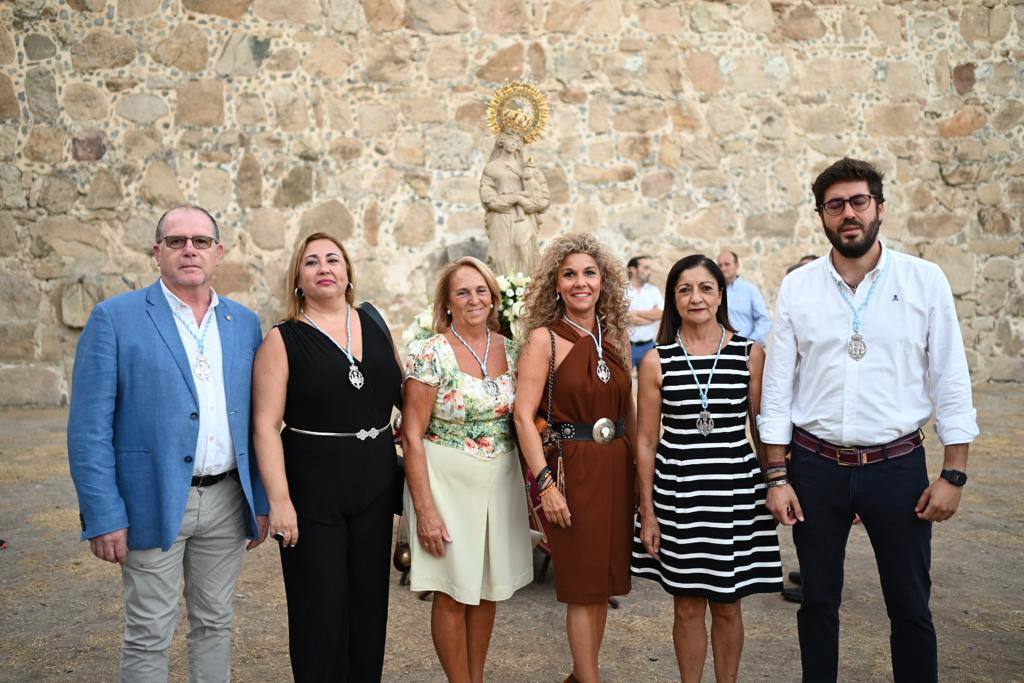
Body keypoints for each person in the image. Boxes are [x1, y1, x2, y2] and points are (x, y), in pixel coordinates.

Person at [759, 157, 979, 682]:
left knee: (910, 608)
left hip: (896, 467)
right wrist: (777, 477)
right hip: (815, 467)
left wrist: (953, 474)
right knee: (816, 604)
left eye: (859, 201)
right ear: (821, 217)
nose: (849, 213)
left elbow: (951, 378)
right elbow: (778, 390)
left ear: (879, 207)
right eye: (836, 205)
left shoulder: (924, 280)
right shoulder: (798, 288)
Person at [67, 205, 269, 681]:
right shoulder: (114, 318)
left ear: (218, 253)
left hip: (225, 500)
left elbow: (257, 422)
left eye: (200, 241)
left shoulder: (245, 323)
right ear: (157, 253)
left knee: (216, 623)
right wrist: (103, 514)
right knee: (148, 631)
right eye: (176, 242)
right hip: (150, 500)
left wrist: (258, 499)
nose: (189, 250)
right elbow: (88, 428)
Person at [252, 231, 402, 681]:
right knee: (318, 610)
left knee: (368, 606)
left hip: (374, 487)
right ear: (298, 278)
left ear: (348, 272)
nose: (324, 268)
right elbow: (264, 425)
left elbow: (402, 392)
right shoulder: (283, 339)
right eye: (312, 262)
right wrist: (280, 502)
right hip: (312, 490)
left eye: (333, 259)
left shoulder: (373, 321)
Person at [631, 254, 783, 682]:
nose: (695, 297)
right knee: (687, 604)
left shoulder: (750, 353)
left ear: (721, 294)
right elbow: (645, 440)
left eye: (705, 288)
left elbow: (762, 429)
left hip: (735, 492)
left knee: (729, 604)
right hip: (679, 493)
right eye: (684, 289)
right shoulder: (656, 360)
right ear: (673, 299)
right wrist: (648, 510)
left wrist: (777, 483)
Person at [402, 256, 533, 683]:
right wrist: (425, 510)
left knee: (487, 589)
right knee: (453, 591)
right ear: (447, 302)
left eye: (481, 290)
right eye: (462, 291)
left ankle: (476, 678)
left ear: (494, 298)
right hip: (445, 484)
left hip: (500, 483)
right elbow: (412, 435)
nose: (473, 299)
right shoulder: (430, 352)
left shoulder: (512, 349)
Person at [513, 233, 636, 683]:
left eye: (589, 273)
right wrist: (545, 484)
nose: (580, 282)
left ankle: (582, 675)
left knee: (601, 587)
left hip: (616, 469)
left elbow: (631, 410)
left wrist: (639, 478)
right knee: (583, 589)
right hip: (571, 471)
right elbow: (523, 418)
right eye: (569, 274)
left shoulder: (617, 335)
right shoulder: (544, 339)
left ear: (603, 281)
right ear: (556, 285)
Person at [480, 131, 551, 276]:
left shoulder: (528, 167)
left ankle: (528, 291)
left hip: (523, 216)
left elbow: (543, 192)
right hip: (502, 215)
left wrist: (537, 205)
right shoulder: (492, 167)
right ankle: (503, 291)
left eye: (518, 141)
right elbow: (486, 192)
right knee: (500, 256)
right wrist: (504, 200)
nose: (515, 144)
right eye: (511, 140)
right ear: (501, 141)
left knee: (524, 249)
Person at [715, 249, 770, 346]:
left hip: (745, 349)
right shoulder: (714, 292)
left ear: (737, 265)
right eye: (720, 265)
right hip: (719, 349)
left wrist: (749, 343)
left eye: (727, 264)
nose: (723, 268)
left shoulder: (750, 290)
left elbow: (763, 320)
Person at [625, 255, 663, 370]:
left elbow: (661, 314)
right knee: (626, 385)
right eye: (646, 268)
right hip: (626, 347)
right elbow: (625, 318)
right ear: (633, 269)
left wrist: (636, 313)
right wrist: (651, 317)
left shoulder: (653, 290)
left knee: (648, 384)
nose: (650, 272)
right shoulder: (622, 290)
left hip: (649, 347)